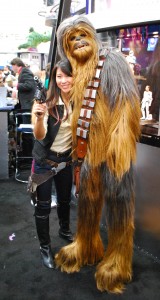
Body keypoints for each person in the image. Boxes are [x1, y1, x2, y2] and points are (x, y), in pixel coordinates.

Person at [54, 15, 141, 294]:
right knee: (88, 201)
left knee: (119, 204)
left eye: (82, 35)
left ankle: (118, 259)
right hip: (89, 149)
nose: (79, 41)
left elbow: (128, 102)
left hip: (116, 148)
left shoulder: (111, 60)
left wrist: (121, 143)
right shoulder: (78, 70)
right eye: (72, 39)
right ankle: (86, 244)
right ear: (66, 49)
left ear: (93, 36)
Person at [30, 59, 74, 269]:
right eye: (59, 76)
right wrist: (39, 118)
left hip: (66, 161)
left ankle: (64, 231)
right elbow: (40, 135)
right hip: (45, 163)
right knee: (43, 206)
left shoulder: (80, 101)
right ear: (54, 79)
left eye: (68, 75)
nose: (64, 80)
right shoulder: (45, 102)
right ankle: (45, 247)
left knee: (65, 201)